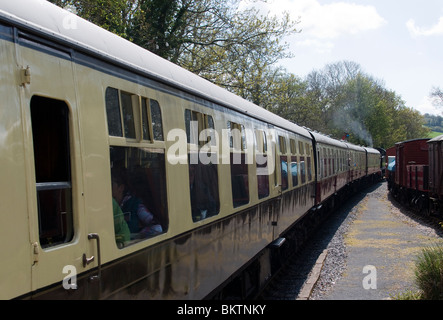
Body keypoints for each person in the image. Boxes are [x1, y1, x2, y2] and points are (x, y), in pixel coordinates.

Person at [112, 170, 163, 239]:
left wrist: (137, 236)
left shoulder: (136, 205)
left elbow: (157, 228)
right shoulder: (109, 206)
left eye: (111, 184)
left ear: (121, 188)